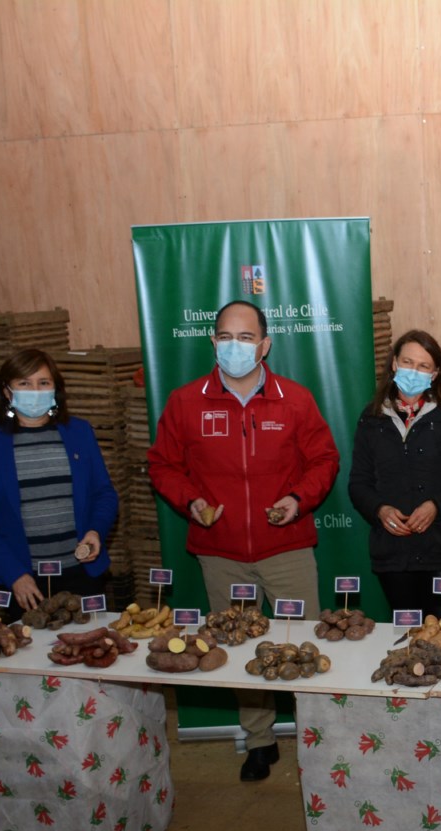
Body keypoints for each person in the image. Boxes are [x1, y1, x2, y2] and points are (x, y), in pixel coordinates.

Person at [148, 300, 340, 782]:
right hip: (221, 553)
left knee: (304, 646)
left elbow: (324, 460)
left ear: (264, 345)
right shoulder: (186, 402)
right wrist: (191, 501)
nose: (236, 346)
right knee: (239, 649)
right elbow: (162, 465)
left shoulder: (295, 399)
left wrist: (298, 499)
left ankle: (318, 740)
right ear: (213, 342)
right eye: (227, 337)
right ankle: (259, 741)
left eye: (247, 337)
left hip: (287, 547)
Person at [0, 349, 119, 621]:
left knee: (89, 643)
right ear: (7, 391)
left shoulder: (79, 432)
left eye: (43, 383)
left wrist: (96, 531)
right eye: (24, 383)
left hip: (81, 572)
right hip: (23, 581)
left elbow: (103, 494)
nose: (35, 391)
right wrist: (14, 574)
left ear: (55, 389)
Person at [348, 330, 441, 618]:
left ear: (434, 374)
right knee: (407, 633)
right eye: (407, 362)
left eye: (423, 366)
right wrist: (380, 509)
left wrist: (436, 506)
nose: (413, 371)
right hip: (394, 555)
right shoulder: (372, 418)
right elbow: (359, 484)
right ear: (394, 364)